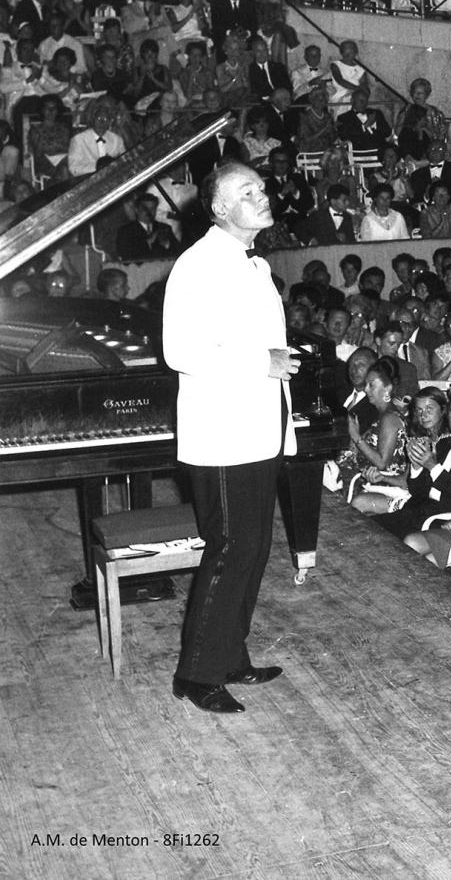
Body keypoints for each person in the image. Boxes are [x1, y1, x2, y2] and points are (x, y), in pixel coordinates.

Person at [162, 161, 298, 714]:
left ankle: (229, 655)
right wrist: (262, 361)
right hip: (223, 435)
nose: (262, 197)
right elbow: (180, 351)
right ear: (219, 208)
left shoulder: (254, 263)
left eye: (261, 188)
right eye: (247, 192)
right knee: (229, 550)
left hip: (259, 429)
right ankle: (196, 674)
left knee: (254, 548)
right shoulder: (196, 265)